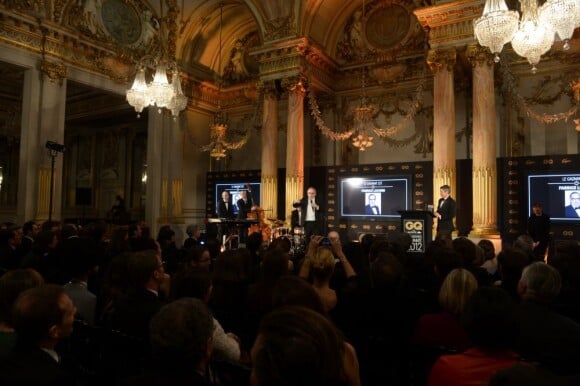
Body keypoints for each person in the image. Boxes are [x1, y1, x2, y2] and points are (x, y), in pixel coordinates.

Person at [0, 284, 77, 386]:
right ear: (55, 331)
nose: (75, 310)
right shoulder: (56, 379)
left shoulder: (5, 355)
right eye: (70, 313)